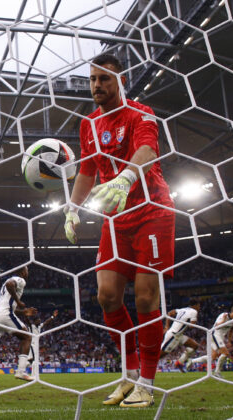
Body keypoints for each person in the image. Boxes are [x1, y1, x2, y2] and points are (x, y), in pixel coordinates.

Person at [62, 54, 175, 408]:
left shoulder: (141, 114)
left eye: (104, 79)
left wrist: (127, 178)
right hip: (115, 218)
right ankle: (128, 373)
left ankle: (147, 381)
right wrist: (72, 209)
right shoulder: (88, 124)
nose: (96, 85)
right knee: (107, 296)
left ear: (120, 81)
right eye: (93, 79)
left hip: (150, 210)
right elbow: (88, 170)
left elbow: (147, 150)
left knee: (144, 296)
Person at [187, 306, 233, 377]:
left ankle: (192, 361)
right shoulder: (223, 315)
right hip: (214, 335)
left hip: (220, 337)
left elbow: (231, 330)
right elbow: (217, 326)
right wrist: (223, 321)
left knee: (212, 358)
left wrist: (229, 341)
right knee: (226, 353)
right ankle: (217, 372)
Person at [160, 300, 201, 373]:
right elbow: (192, 326)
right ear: (195, 305)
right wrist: (193, 322)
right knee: (161, 354)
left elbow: (169, 313)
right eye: (199, 306)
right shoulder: (194, 312)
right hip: (174, 335)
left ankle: (179, 362)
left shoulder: (182, 309)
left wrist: (167, 326)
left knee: (195, 346)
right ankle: (144, 367)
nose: (199, 307)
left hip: (179, 335)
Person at [25, 309, 59, 377]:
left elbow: (46, 322)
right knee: (34, 360)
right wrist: (26, 315)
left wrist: (53, 316)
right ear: (35, 321)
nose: (40, 321)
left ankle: (29, 371)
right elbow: (27, 321)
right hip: (31, 344)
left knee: (33, 361)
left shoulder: (39, 326)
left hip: (36, 345)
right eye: (38, 320)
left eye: (40, 320)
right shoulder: (31, 326)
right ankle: (33, 375)